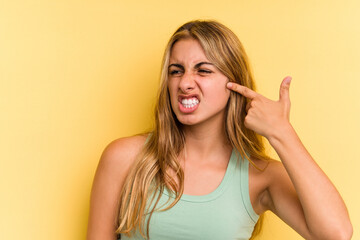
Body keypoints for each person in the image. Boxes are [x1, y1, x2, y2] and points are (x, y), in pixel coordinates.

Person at [86, 20, 353, 240]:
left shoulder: (258, 176)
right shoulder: (125, 157)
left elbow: (336, 234)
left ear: (233, 83)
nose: (185, 83)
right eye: (176, 71)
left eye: (203, 71)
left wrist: (282, 132)